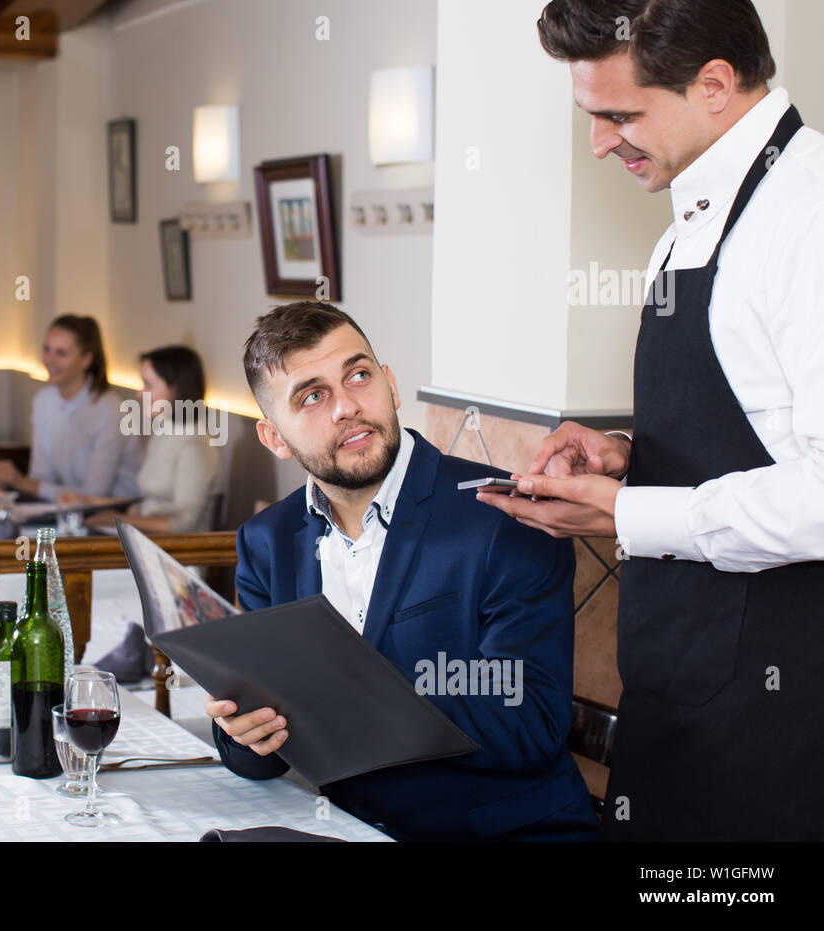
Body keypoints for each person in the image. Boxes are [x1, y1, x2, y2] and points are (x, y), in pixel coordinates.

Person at [477, 0, 824, 840]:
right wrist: (629, 455)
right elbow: (749, 429)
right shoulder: (688, 218)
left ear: (714, 85)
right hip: (678, 697)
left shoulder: (807, 217)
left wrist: (623, 512)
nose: (600, 144)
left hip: (783, 720)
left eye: (619, 116)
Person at [205, 302, 598, 841]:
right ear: (275, 437)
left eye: (359, 376)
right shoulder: (265, 541)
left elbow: (531, 723)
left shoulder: (504, 518)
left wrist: (342, 693)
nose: (346, 406)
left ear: (389, 385)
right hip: (348, 829)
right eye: (313, 396)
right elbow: (258, 761)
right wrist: (246, 734)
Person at [66, 346, 222, 534]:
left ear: (176, 389)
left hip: (173, 556)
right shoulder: (165, 430)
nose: (139, 394)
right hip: (143, 540)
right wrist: (90, 502)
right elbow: (146, 504)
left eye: (148, 385)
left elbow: (183, 524)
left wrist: (118, 519)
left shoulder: (195, 444)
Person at [0, 315, 142, 501]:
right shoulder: (43, 400)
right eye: (47, 349)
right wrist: (11, 483)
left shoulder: (110, 411)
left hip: (113, 517)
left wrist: (21, 482)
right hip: (67, 510)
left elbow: (94, 495)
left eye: (61, 353)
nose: (49, 360)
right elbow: (41, 476)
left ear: (86, 360)